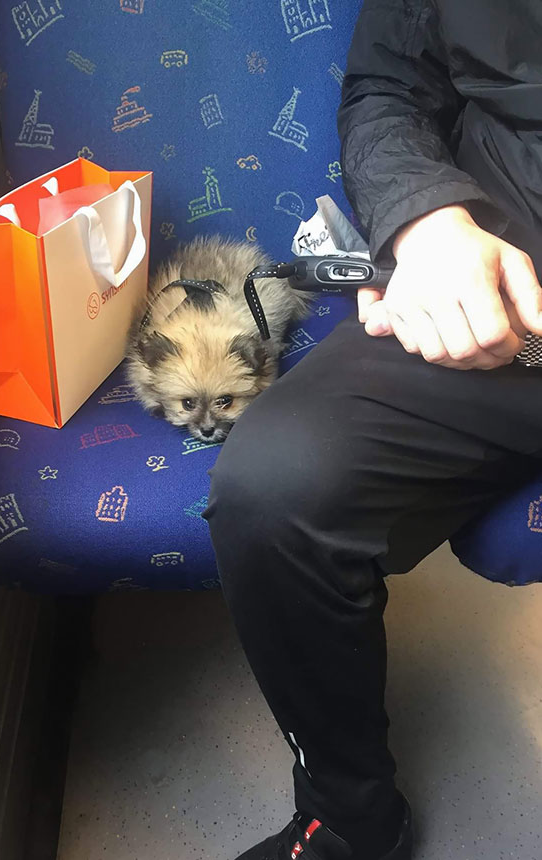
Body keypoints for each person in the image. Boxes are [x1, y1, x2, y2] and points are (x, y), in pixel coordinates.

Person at [203, 2, 542, 859]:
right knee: (274, 488)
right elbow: (388, 89)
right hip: (499, 258)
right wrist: (427, 224)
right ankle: (350, 818)